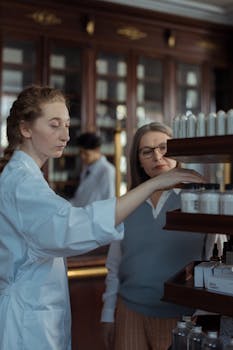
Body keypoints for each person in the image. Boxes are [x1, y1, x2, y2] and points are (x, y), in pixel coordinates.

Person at [0, 86, 204, 350]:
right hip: (25, 323)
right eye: (54, 125)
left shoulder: (25, 177)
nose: (66, 135)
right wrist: (153, 185)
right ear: (26, 129)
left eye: (66, 124)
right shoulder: (21, 183)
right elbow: (72, 228)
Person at [101, 121, 224, 350]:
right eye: (147, 151)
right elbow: (114, 265)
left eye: (163, 148)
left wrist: (202, 314)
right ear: (138, 160)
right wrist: (108, 314)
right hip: (130, 311)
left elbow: (217, 261)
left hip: (183, 318)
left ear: (177, 152)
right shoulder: (127, 203)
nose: (157, 156)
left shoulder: (201, 200)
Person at [70, 132, 115, 206]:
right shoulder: (87, 169)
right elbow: (80, 199)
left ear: (97, 150)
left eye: (86, 154)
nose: (82, 157)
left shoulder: (107, 170)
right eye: (80, 152)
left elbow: (109, 200)